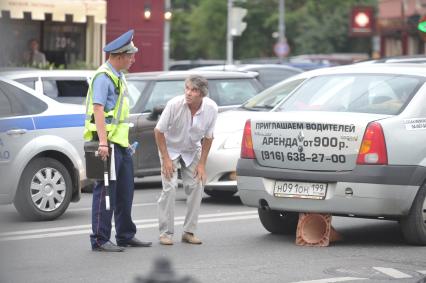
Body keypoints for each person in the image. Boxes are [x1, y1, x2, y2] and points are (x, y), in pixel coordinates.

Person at [84, 29, 152, 252]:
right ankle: (100, 239)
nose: (133, 59)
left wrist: (125, 144)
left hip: (120, 145)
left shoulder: (118, 76)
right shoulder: (103, 77)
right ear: (120, 55)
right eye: (131, 55)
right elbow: (98, 110)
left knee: (124, 192)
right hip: (107, 145)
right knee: (105, 193)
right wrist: (103, 143)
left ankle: (124, 235)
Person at [154, 75, 218, 245]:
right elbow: (158, 132)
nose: (188, 93)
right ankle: (165, 233)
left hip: (192, 149)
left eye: (194, 90)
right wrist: (166, 159)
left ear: (202, 94)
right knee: (170, 187)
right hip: (170, 148)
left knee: (197, 185)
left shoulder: (211, 108)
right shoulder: (174, 104)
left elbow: (209, 137)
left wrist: (202, 165)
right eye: (187, 88)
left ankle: (189, 232)